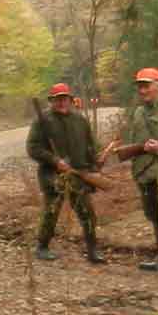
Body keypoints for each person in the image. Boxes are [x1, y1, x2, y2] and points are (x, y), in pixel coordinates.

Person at [27, 82, 105, 264]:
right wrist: (55, 161)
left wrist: (96, 160)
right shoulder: (42, 121)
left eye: (64, 98)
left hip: (79, 173)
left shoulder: (80, 120)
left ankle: (93, 250)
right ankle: (42, 247)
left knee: (87, 213)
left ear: (70, 100)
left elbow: (91, 145)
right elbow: (33, 148)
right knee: (51, 211)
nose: (61, 102)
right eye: (58, 99)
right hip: (52, 174)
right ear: (51, 101)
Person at [102, 66, 158, 271]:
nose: (142, 90)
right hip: (144, 174)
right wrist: (115, 148)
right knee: (154, 217)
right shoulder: (138, 112)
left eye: (147, 86)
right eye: (140, 87)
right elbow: (135, 140)